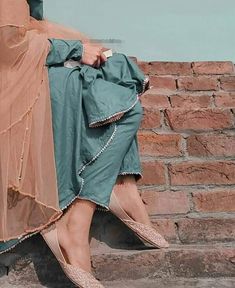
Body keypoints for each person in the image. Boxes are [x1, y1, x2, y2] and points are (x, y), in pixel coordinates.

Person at [0, 1, 169, 287]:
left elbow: (29, 25)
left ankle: (118, 186)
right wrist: (76, 49)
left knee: (115, 68)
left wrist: (83, 44)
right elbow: (8, 46)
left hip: (22, 65)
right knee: (107, 94)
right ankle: (85, 214)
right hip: (10, 82)